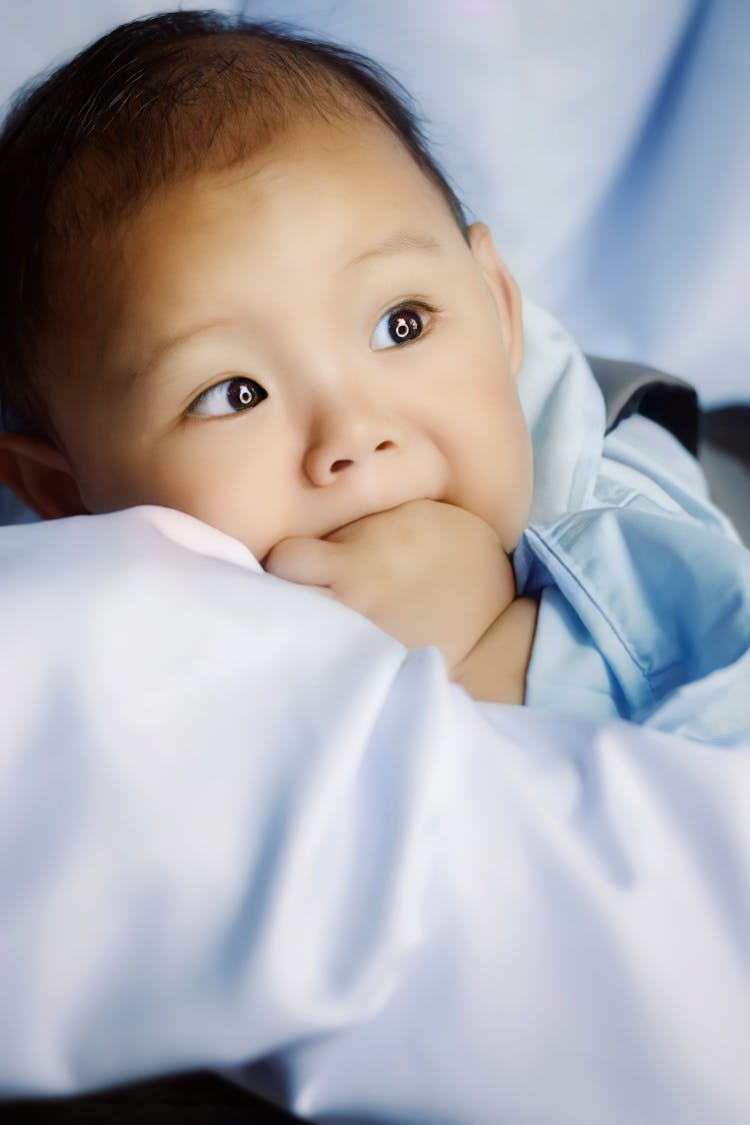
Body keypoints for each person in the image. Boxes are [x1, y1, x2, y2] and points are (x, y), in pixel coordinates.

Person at [0, 12, 747, 729]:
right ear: (66, 493)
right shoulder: (66, 634)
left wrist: (484, 642)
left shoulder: (622, 521)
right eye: (235, 394)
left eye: (402, 325)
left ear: (497, 306)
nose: (354, 433)